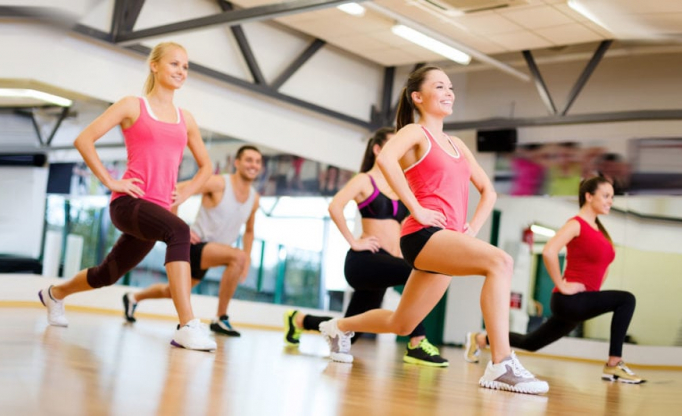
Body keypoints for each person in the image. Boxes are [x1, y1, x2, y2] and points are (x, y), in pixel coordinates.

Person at [316, 66, 548, 395]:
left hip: (445, 240)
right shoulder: (415, 132)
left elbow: (489, 191)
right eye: (439, 86)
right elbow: (386, 160)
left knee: (402, 323)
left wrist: (471, 229)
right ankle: (501, 364)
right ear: (418, 97)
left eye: (450, 87)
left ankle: (338, 327)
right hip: (422, 236)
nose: (448, 92)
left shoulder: (457, 144)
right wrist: (416, 209)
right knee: (501, 262)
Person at [37, 42, 217, 351]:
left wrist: (185, 191)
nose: (181, 71)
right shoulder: (133, 106)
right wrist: (110, 181)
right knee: (179, 232)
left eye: (185, 67)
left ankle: (54, 294)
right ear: (155, 65)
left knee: (107, 274)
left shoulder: (185, 119)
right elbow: (84, 139)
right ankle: (187, 326)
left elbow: (207, 167)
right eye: (174, 64)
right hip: (129, 203)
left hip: (157, 213)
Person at [283, 127, 449, 367]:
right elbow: (335, 206)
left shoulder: (400, 186)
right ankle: (417, 342)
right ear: (377, 149)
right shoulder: (364, 180)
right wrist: (354, 241)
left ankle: (298, 320)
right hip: (365, 260)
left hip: (387, 263)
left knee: (351, 330)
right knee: (416, 272)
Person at [465, 176, 645, 384]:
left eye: (612, 197)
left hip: (581, 301)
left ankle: (479, 339)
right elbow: (549, 251)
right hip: (569, 300)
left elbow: (603, 266)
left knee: (531, 343)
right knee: (626, 299)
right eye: (605, 196)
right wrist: (561, 285)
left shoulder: (600, 231)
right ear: (589, 196)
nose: (610, 201)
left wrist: (594, 295)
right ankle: (614, 364)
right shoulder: (576, 224)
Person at [123, 145, 262, 337]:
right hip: (195, 246)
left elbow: (250, 231)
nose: (253, 165)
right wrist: (179, 228)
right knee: (237, 257)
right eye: (249, 160)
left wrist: (248, 259)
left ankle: (133, 297)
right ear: (237, 163)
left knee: (170, 291)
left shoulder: (254, 198)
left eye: (257, 161)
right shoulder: (219, 183)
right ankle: (220, 318)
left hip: (212, 252)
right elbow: (177, 189)